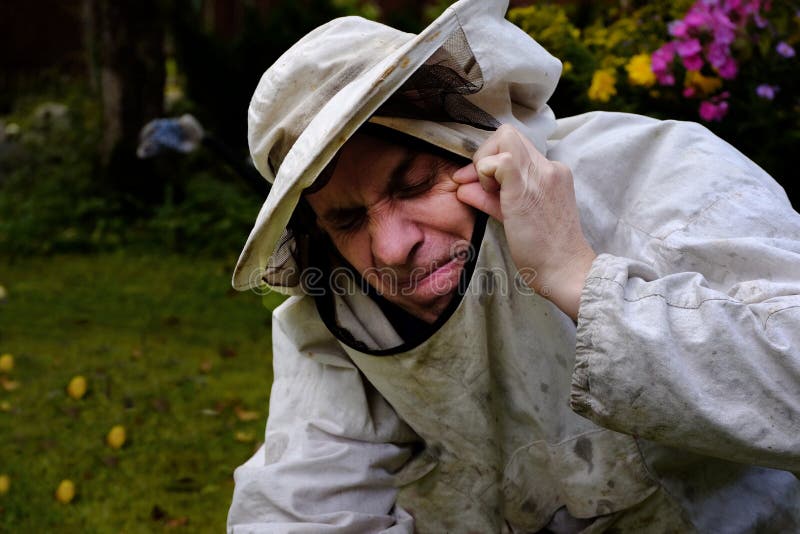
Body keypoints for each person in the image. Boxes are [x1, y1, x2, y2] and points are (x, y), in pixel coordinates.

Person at [227, 0, 800, 531]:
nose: (390, 249)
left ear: (466, 140)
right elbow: (298, 506)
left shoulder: (662, 173)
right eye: (349, 221)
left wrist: (575, 274)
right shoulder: (338, 316)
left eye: (416, 184)